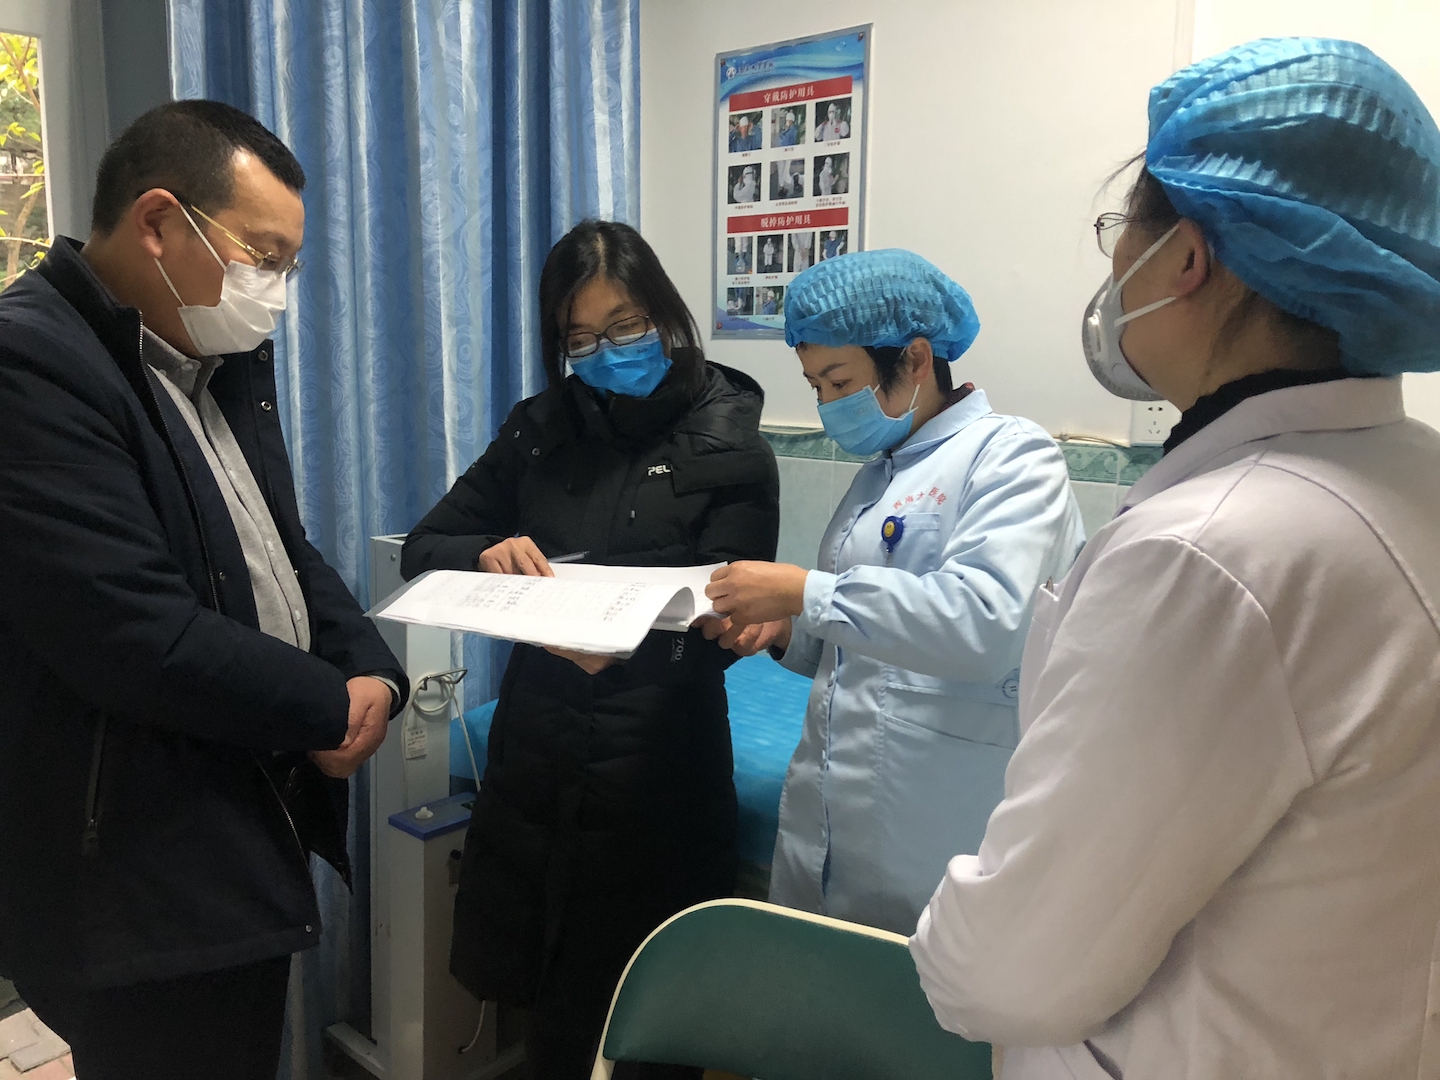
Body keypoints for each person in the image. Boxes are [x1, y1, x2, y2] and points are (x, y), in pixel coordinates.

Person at [910, 38, 1440, 1080]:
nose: (1115, 268)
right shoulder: (1411, 473)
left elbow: (1012, 971)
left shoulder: (1211, 556)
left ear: (1185, 257)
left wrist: (948, 940)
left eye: (1123, 231)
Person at [0, 101, 407, 1080]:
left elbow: (284, 550)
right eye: (264, 257)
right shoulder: (31, 362)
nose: (276, 291)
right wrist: (326, 702)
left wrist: (376, 672)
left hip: (234, 821)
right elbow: (132, 631)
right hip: (138, 866)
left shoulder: (204, 362)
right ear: (158, 223)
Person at [402, 220, 780, 1080]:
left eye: (624, 326)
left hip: (661, 759)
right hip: (539, 744)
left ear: (663, 313)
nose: (606, 352)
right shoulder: (540, 429)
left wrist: (635, 648)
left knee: (654, 1016)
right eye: (580, 338)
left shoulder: (730, 436)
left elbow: (734, 620)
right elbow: (426, 547)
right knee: (551, 1006)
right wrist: (487, 554)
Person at [703, 249, 1085, 935]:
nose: (827, 404)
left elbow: (984, 623)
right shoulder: (876, 477)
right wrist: (785, 631)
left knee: (922, 990)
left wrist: (805, 591)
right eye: (815, 385)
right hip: (829, 817)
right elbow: (854, 647)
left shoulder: (1012, 456)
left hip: (936, 823)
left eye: (839, 380)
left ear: (914, 359)